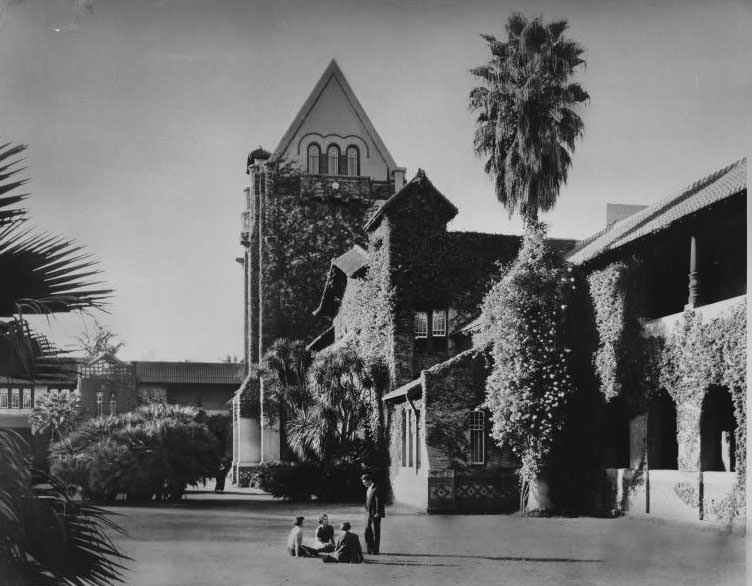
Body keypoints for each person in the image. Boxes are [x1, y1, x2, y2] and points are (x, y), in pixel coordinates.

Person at [361, 473, 385, 554]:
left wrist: (378, 513)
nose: (364, 484)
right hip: (368, 512)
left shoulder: (376, 489)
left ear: (370, 481)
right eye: (363, 483)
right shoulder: (368, 488)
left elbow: (379, 502)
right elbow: (368, 500)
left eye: (365, 482)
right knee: (367, 529)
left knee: (376, 531)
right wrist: (366, 508)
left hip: (375, 513)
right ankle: (369, 548)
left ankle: (375, 550)